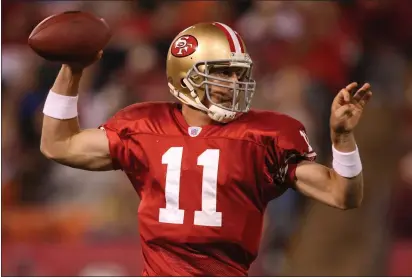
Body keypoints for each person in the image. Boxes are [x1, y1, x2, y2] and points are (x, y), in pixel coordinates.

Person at [40, 22, 372, 276]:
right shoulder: (144, 125)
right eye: (222, 73)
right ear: (185, 77)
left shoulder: (262, 135)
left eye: (238, 73)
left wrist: (341, 138)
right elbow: (58, 144)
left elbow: (344, 194)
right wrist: (72, 70)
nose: (234, 83)